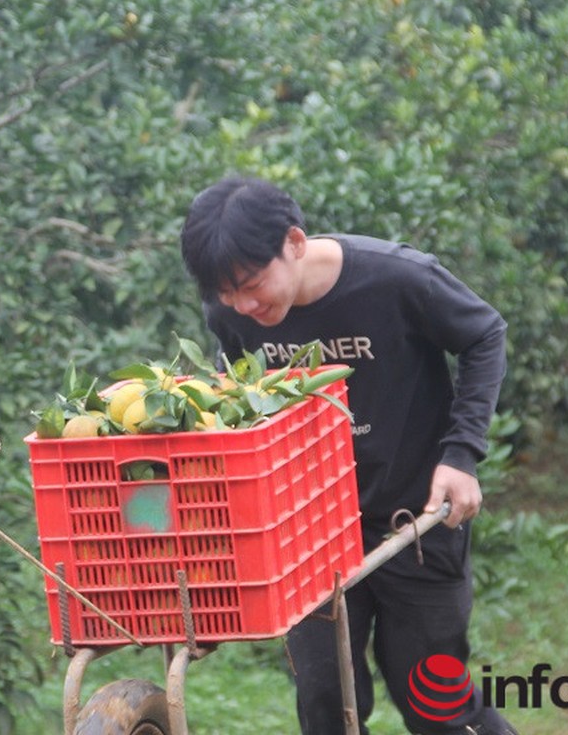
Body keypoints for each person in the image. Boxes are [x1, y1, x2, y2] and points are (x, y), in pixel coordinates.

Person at [179, 175, 516, 735]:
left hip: (417, 520)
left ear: (293, 242)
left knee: (437, 706)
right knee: (326, 704)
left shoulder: (397, 278)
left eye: (252, 283)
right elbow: (241, 400)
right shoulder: (232, 314)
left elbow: (484, 335)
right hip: (307, 530)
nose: (242, 304)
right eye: (225, 293)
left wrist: (460, 455)